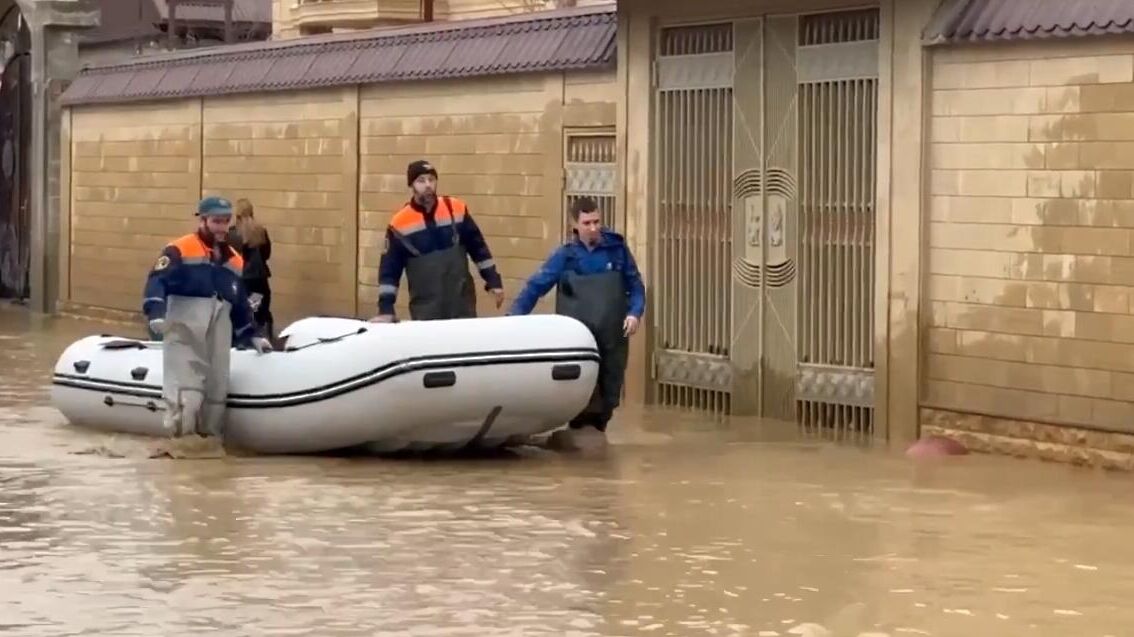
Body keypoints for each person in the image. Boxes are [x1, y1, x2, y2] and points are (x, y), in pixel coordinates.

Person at [509, 197, 646, 444]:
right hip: (580, 340)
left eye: (596, 221)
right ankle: (582, 435)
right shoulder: (566, 256)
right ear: (575, 225)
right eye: (587, 223)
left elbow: (635, 286)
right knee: (585, 393)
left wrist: (634, 313)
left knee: (610, 390)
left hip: (612, 336)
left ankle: (598, 436)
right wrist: (512, 320)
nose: (593, 228)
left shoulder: (617, 250)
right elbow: (536, 287)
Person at [142, 196, 272, 439]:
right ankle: (181, 444)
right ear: (202, 221)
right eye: (216, 222)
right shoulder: (179, 249)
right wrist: (156, 312)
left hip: (218, 330)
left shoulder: (234, 260)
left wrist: (252, 335)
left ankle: (209, 445)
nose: (222, 228)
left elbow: (239, 303)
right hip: (184, 327)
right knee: (186, 393)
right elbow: (157, 280)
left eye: (225, 221)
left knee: (216, 392)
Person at [371, 159, 504, 322]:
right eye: (421, 181)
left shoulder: (456, 209)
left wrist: (493, 280)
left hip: (462, 306)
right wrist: (385, 309)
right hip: (426, 311)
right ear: (411, 185)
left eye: (431, 179)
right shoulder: (399, 224)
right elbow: (389, 271)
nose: (428, 185)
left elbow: (479, 248)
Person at [227, 198, 275, 344]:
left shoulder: (232, 234)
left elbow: (228, 258)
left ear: (237, 215)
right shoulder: (261, 231)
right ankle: (262, 338)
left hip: (241, 280)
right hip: (259, 280)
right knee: (259, 311)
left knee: (241, 311)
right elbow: (266, 254)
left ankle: (242, 341)